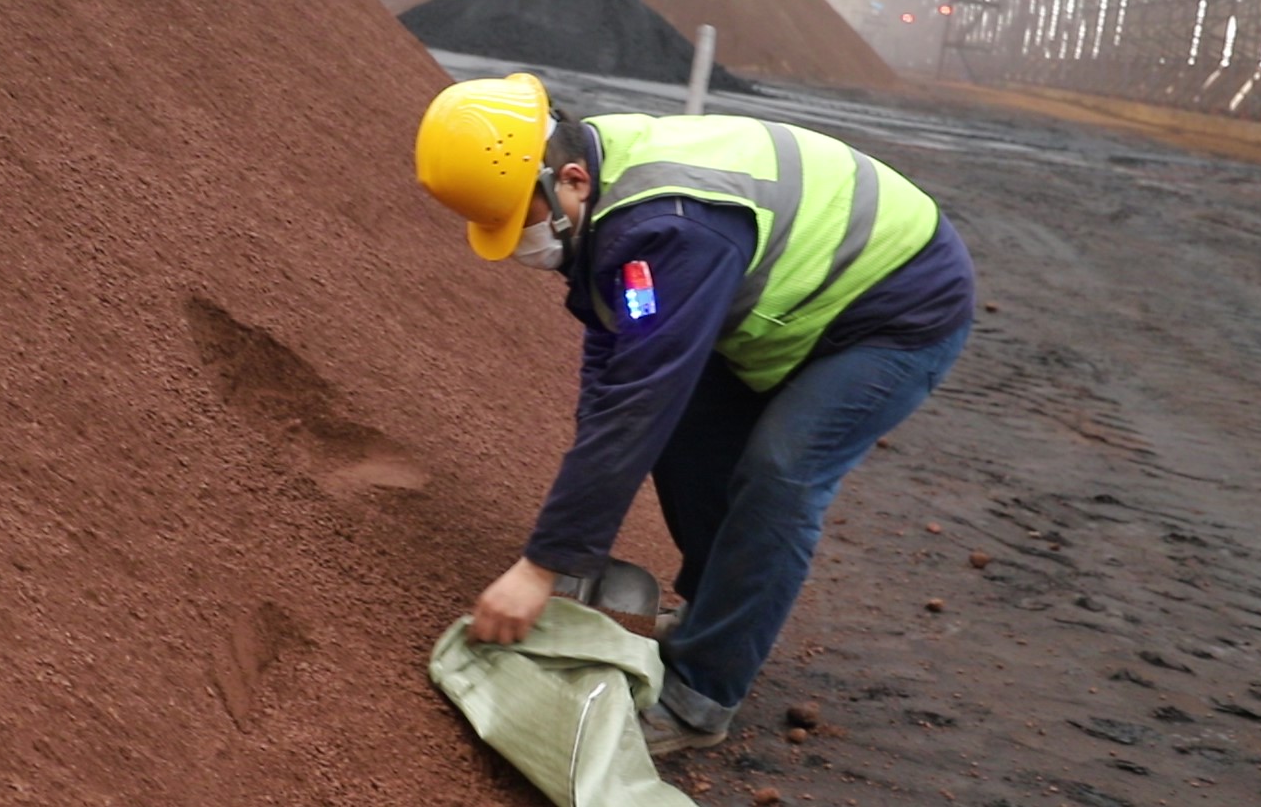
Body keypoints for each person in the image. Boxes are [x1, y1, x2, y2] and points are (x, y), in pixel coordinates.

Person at [414, 72, 974, 755]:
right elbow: (620, 360)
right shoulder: (602, 190)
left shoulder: (666, 227)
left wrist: (542, 565)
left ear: (569, 181)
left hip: (895, 308)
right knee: (684, 431)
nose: (519, 241)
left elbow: (639, 397)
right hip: (793, 300)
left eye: (519, 219)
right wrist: (574, 553)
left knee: (781, 474)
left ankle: (700, 697)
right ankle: (717, 615)